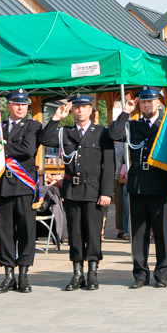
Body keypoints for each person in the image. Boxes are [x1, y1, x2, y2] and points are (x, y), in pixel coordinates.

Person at [41, 94, 114, 290]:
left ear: (91, 110)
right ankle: (77, 274)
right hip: (72, 190)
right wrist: (55, 118)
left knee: (92, 232)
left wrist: (106, 192)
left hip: (93, 191)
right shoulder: (65, 132)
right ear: (72, 111)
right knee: (75, 233)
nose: (80, 110)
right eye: (77, 107)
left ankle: (92, 273)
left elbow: (109, 165)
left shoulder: (102, 133)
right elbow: (44, 139)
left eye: (84, 106)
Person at [110, 87, 167, 288]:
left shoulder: (166, 126)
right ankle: (140, 274)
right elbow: (114, 133)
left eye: (151, 101)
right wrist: (125, 111)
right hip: (138, 184)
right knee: (138, 233)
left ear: (159, 102)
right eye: (144, 102)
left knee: (162, 233)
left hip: (160, 184)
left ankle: (163, 273)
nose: (147, 105)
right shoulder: (132, 125)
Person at [0, 89, 43, 294]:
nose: (21, 107)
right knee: (5, 233)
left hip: (24, 186)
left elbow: (28, 150)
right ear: (8, 106)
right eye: (16, 103)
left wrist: (2, 148)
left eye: (24, 104)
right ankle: (8, 275)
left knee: (26, 231)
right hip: (2, 187)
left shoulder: (33, 125)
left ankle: (23, 274)